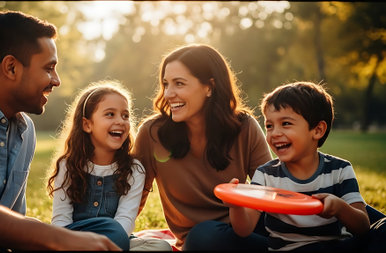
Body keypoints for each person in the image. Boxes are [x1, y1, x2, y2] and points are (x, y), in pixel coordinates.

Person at [0, 11, 120, 251]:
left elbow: (13, 219)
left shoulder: (24, 130)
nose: (56, 80)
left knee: (110, 231)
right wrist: (59, 240)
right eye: (49, 68)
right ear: (11, 67)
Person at [133, 43, 273, 251]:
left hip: (246, 229)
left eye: (179, 84)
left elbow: (270, 190)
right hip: (202, 240)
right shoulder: (152, 133)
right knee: (203, 235)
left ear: (209, 87)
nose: (168, 94)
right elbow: (133, 196)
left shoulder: (244, 127)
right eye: (166, 84)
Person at [227, 81, 386, 252]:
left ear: (317, 130)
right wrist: (235, 205)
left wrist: (340, 208)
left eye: (286, 123)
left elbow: (363, 226)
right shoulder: (266, 175)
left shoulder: (340, 170)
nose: (275, 133)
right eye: (269, 126)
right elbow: (244, 230)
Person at [47, 80, 172, 251]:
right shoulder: (67, 165)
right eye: (110, 114)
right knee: (37, 232)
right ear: (87, 124)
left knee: (160, 247)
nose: (121, 121)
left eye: (125, 115)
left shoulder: (134, 169)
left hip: (116, 240)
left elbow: (124, 223)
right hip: (74, 239)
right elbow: (61, 221)